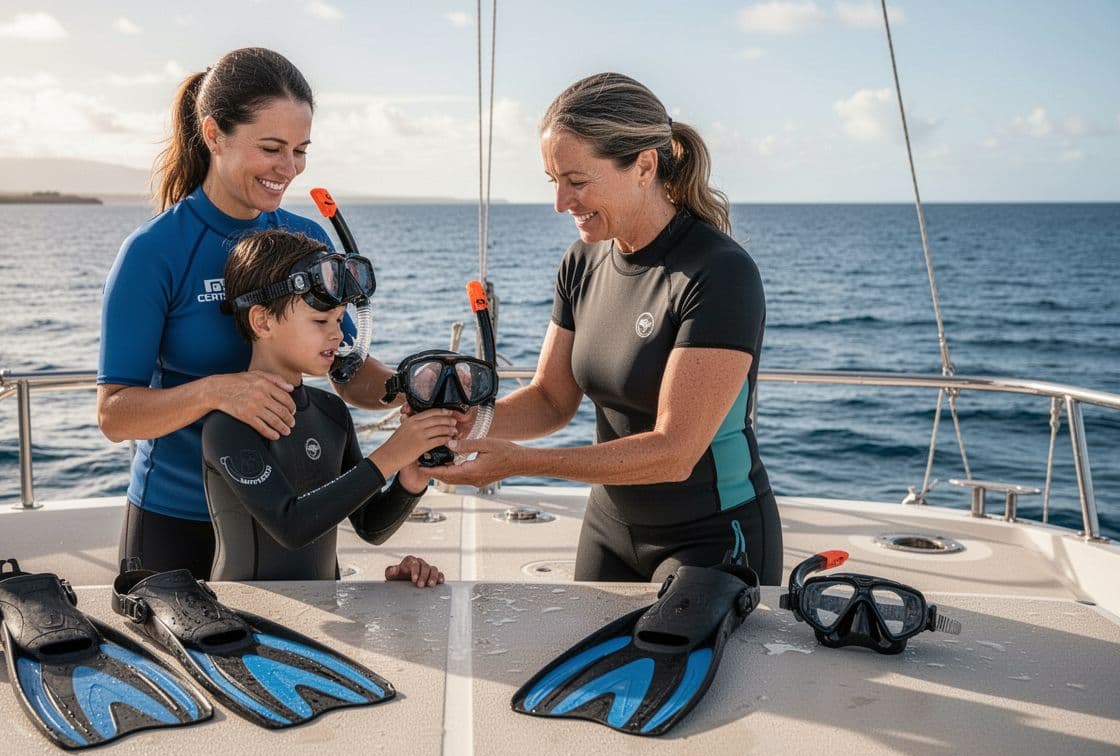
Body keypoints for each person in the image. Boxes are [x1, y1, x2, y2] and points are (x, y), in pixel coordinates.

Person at [425, 72, 782, 585]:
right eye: (554, 182)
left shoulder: (719, 272)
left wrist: (521, 463)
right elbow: (551, 399)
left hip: (714, 535)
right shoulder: (582, 261)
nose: (560, 203)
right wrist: (466, 425)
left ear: (643, 166)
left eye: (577, 181)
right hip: (610, 526)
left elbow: (675, 451)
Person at [97, 48, 394, 576]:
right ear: (214, 134)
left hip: (288, 512)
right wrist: (218, 390)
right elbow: (115, 414)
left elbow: (346, 370)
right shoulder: (154, 252)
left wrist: (410, 394)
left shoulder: (307, 238)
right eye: (272, 148)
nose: (290, 168)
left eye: (301, 150)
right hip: (176, 519)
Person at [203, 229, 454, 586]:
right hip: (245, 621)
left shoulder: (331, 413)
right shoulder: (229, 424)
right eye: (320, 321)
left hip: (322, 617)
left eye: (339, 320)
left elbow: (370, 526)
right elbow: (291, 526)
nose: (337, 334)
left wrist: (409, 481)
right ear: (262, 321)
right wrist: (392, 454)